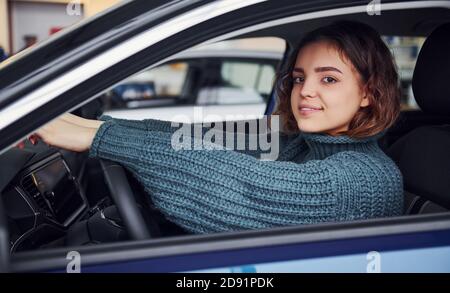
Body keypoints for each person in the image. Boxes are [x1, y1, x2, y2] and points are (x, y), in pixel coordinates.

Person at [27, 21, 404, 234]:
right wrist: (95, 126)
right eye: (300, 77)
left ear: (369, 93)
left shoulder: (360, 181)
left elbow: (243, 183)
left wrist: (99, 138)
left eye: (329, 80)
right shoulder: (305, 144)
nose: (305, 91)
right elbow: (206, 139)